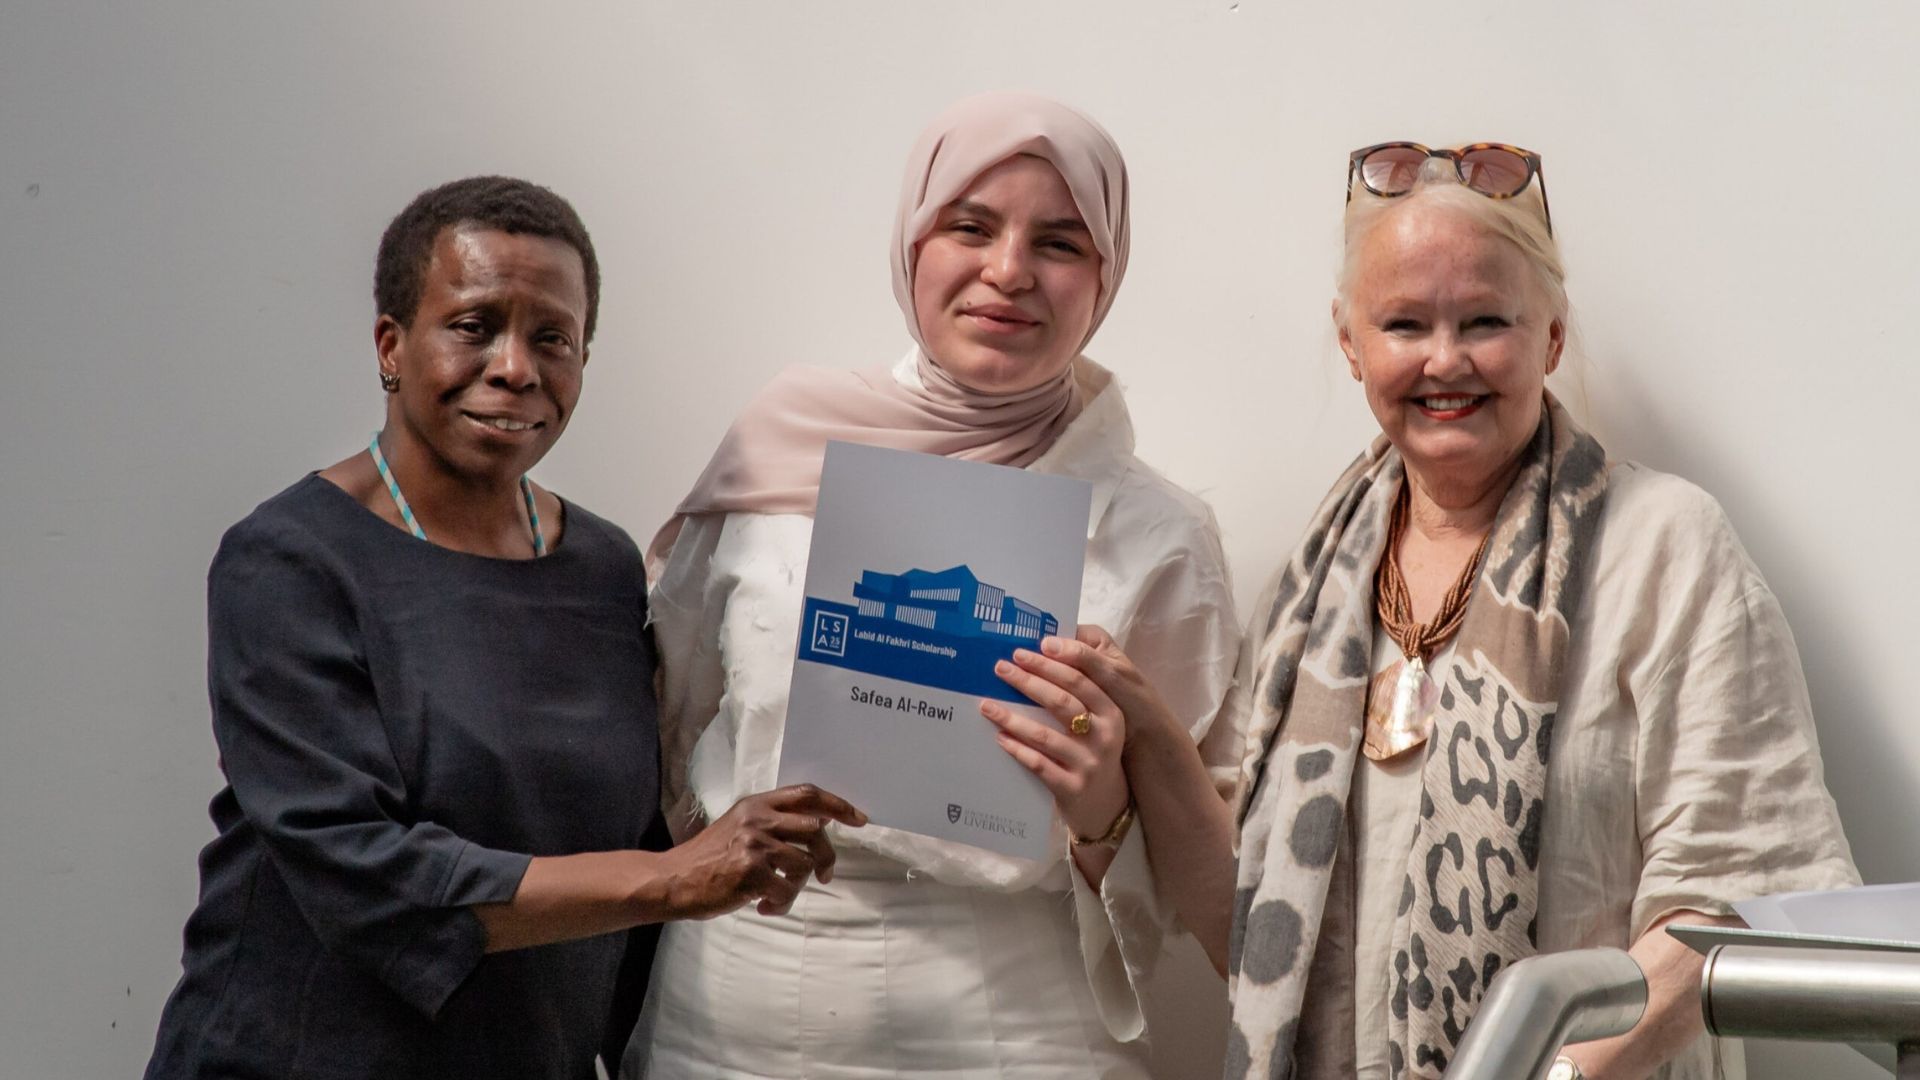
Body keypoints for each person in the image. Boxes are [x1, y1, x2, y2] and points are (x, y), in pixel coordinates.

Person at [1008, 142, 1859, 1079]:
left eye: (1486, 321)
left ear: (1552, 337)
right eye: (1405, 324)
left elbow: (1728, 900)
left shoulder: (1665, 547)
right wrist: (1149, 739)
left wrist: (1552, 1077)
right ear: (1351, 344)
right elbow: (1254, 939)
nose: (1444, 361)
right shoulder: (1314, 587)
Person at [143, 176, 863, 1080]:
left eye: (552, 337)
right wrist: (679, 881)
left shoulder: (602, 566)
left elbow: (641, 828)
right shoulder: (290, 562)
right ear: (391, 345)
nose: (517, 367)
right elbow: (366, 875)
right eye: (475, 325)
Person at [626, 93, 1241, 1078]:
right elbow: (670, 714)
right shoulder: (782, 449)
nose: (1008, 272)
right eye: (969, 226)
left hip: (1015, 1025)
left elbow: (1199, 873)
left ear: (1105, 276)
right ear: (913, 239)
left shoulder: (1159, 531)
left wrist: (1101, 816)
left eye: (1060, 242)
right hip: (734, 1004)